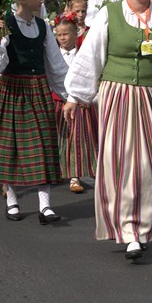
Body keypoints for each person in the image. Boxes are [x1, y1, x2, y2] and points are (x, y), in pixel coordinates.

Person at [63, 0, 152, 261]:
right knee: (122, 163)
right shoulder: (110, 13)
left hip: (151, 96)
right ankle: (129, 231)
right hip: (118, 93)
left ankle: (145, 225)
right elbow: (91, 56)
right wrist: (75, 96)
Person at [0, 0, 68, 223]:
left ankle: (45, 206)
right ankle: (12, 200)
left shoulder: (43, 26)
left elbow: (56, 65)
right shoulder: (6, 23)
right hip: (12, 89)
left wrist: (70, 97)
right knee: (10, 146)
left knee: (42, 145)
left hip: (37, 87)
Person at [53, 14, 97, 193]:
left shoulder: (82, 54)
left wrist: (85, 97)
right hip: (58, 101)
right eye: (59, 34)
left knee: (78, 139)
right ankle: (58, 170)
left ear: (75, 33)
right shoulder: (53, 55)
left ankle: (75, 175)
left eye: (66, 34)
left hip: (78, 103)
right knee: (60, 137)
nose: (62, 38)